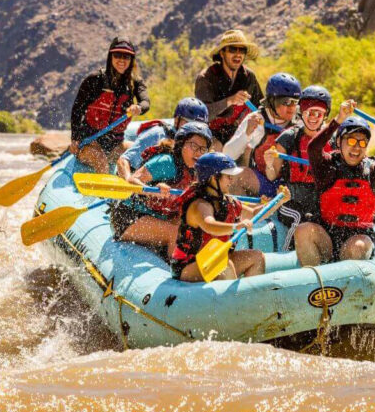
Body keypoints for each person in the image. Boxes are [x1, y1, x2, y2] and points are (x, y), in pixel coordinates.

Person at [293, 101, 375, 266]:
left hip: (358, 239)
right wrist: (339, 119)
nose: (356, 148)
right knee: (303, 230)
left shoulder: (374, 171)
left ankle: (347, 286)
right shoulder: (327, 166)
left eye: (362, 143)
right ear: (339, 142)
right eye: (351, 141)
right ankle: (314, 284)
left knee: (358, 247)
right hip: (328, 238)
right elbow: (313, 148)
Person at [170, 152, 289, 282]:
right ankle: (236, 300)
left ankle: (250, 297)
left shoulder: (228, 201)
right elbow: (209, 225)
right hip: (189, 266)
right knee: (225, 266)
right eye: (228, 177)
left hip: (216, 260)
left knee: (256, 257)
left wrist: (278, 202)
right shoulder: (199, 205)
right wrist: (235, 226)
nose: (232, 180)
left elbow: (254, 214)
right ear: (213, 178)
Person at [109, 123, 213, 254]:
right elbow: (132, 181)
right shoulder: (166, 162)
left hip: (158, 218)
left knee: (191, 229)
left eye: (203, 149)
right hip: (129, 216)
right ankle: (177, 271)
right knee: (175, 233)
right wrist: (151, 189)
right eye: (193, 146)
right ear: (181, 144)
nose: (198, 152)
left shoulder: (195, 172)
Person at [263, 85, 332, 249]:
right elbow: (272, 176)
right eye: (309, 112)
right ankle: (287, 255)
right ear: (302, 113)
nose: (313, 117)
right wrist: (269, 163)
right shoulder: (289, 137)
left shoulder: (333, 139)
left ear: (325, 115)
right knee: (300, 218)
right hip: (291, 198)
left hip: (318, 198)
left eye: (318, 113)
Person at [68, 37, 150, 173]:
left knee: (142, 153)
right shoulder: (95, 80)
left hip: (114, 145)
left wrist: (139, 107)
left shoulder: (135, 83)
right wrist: (75, 138)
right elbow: (77, 109)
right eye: (117, 55)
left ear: (131, 60)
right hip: (89, 143)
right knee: (101, 161)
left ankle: (136, 191)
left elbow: (146, 102)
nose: (122, 60)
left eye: (126, 57)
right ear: (110, 56)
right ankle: (102, 195)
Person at [194, 29, 263, 148]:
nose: (238, 54)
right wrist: (229, 101)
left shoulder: (249, 77)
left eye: (242, 50)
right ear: (222, 53)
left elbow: (260, 106)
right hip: (209, 133)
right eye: (232, 49)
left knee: (250, 146)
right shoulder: (206, 78)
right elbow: (202, 115)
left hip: (238, 132)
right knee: (217, 147)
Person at [116, 97, 208, 179]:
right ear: (176, 120)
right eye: (190, 123)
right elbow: (123, 160)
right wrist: (129, 182)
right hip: (138, 182)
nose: (195, 129)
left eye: (200, 126)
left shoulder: (199, 146)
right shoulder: (157, 134)